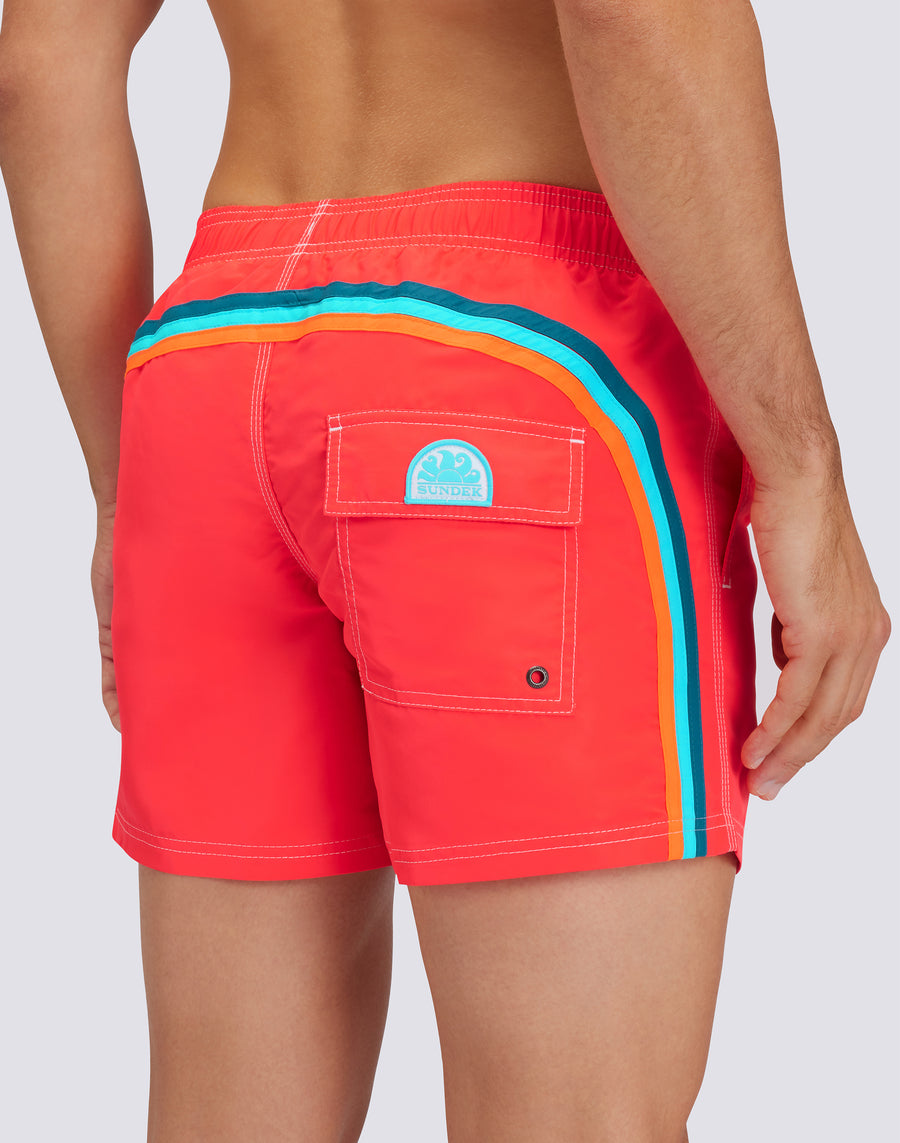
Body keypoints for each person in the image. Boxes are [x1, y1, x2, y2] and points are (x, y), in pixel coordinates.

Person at [0, 0, 890, 1139]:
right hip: (514, 359)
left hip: (210, 361)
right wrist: (802, 469)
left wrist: (122, 488)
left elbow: (41, 67)